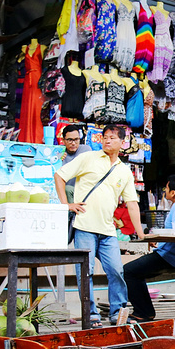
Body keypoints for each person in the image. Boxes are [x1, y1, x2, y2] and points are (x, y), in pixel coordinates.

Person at [54, 125, 145, 327]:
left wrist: (141, 234)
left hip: (107, 230)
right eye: (104, 137)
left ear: (123, 142)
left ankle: (117, 313)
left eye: (112, 138)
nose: (107, 141)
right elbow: (59, 176)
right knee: (85, 273)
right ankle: (91, 314)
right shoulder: (88, 158)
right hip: (84, 226)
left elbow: (131, 203)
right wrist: (66, 205)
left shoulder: (124, 171)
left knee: (116, 271)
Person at [124, 174, 175, 322]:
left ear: (173, 193)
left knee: (128, 271)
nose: (165, 191)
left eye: (167, 188)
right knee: (136, 272)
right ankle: (145, 311)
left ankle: (143, 312)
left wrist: (156, 238)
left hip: (168, 256)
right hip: (171, 254)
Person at [60, 124, 92, 203]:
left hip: (81, 191)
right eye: (70, 140)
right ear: (63, 140)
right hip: (62, 192)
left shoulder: (85, 149)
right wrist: (58, 160)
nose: (73, 143)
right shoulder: (59, 152)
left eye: (76, 139)